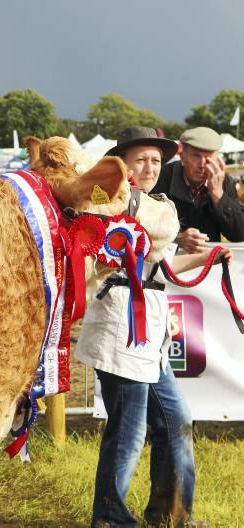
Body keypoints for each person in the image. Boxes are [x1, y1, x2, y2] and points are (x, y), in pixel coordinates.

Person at [76, 127, 232, 528]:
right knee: (129, 430)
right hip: (120, 322)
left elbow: (162, 268)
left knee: (175, 420)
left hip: (151, 328)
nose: (149, 167)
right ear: (122, 164)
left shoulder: (156, 206)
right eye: (140, 159)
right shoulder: (104, 202)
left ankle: (172, 514)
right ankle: (109, 517)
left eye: (157, 161)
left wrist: (209, 256)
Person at [152, 126, 244, 253]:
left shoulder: (225, 182)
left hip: (209, 262)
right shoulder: (162, 177)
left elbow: (239, 235)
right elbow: (147, 229)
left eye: (209, 158)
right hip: (168, 261)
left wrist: (217, 194)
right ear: (182, 157)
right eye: (196, 156)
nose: (202, 164)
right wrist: (177, 239)